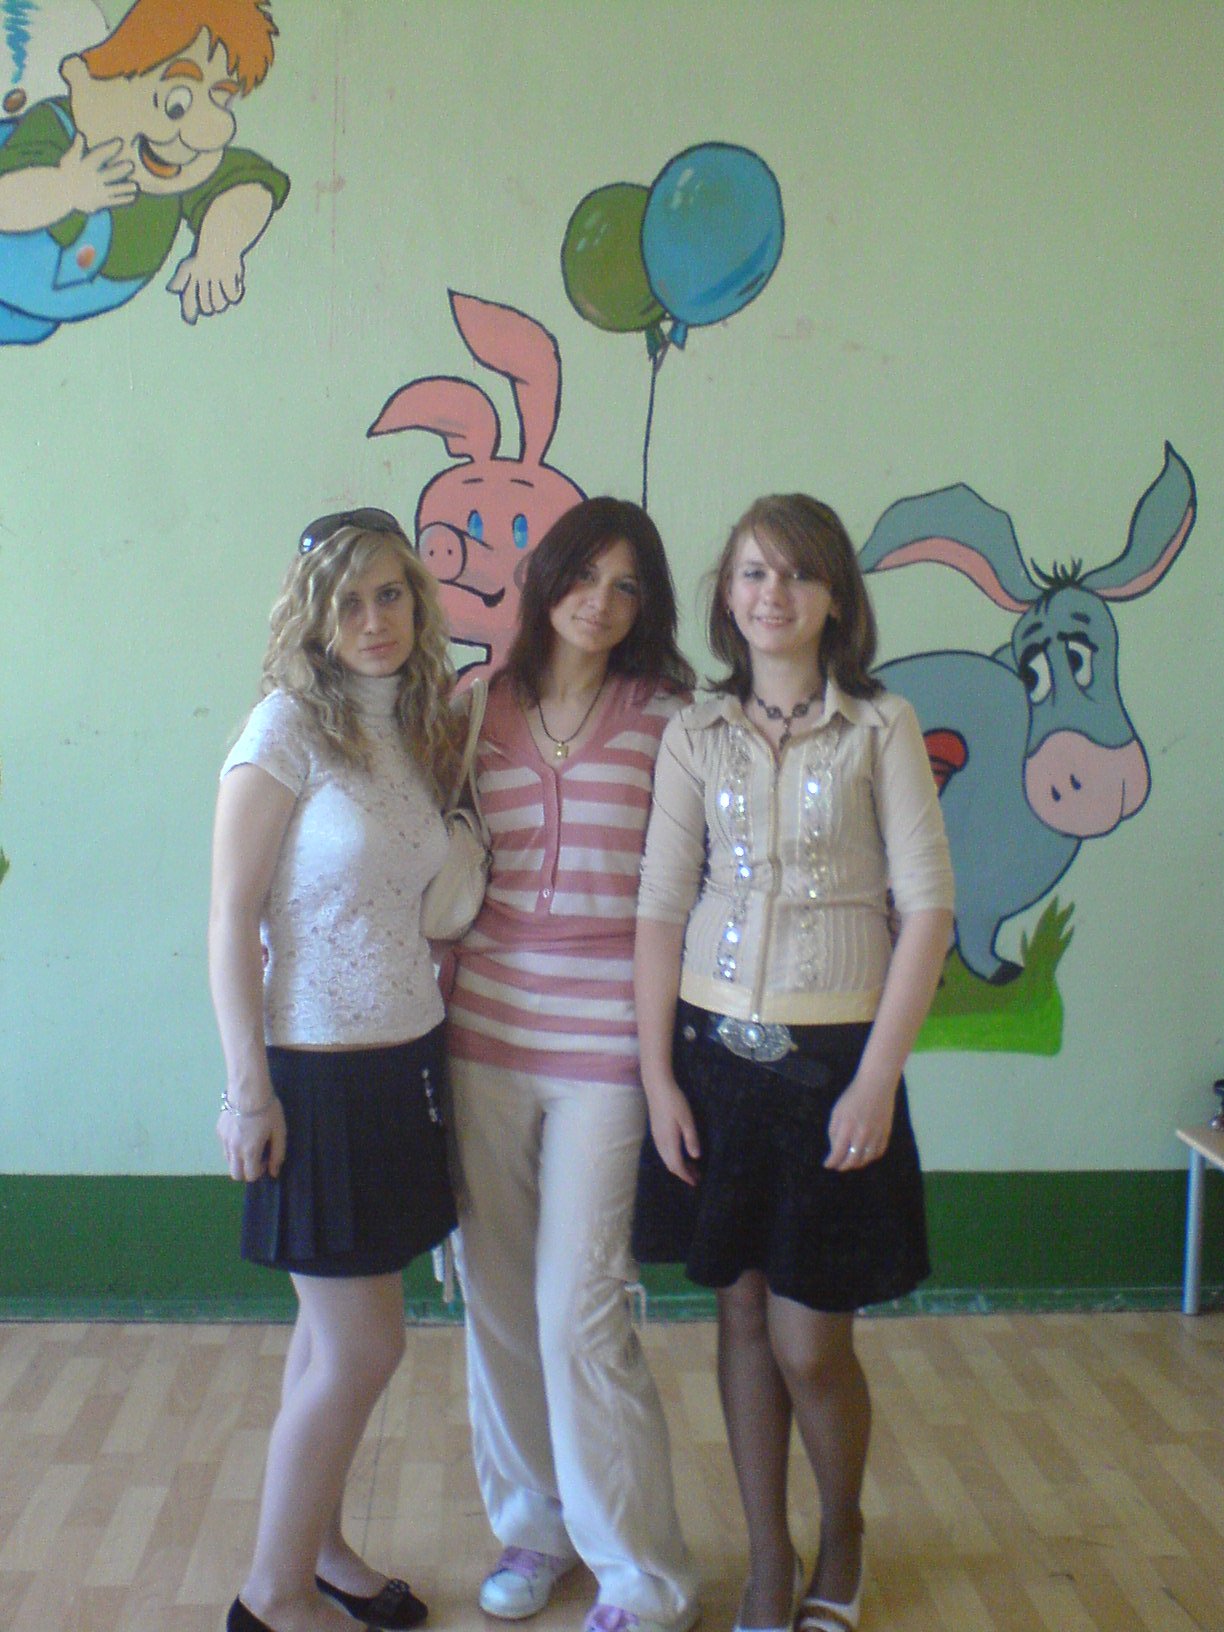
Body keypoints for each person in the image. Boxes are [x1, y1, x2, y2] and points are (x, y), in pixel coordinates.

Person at [632, 495, 954, 1632]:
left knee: (809, 1343)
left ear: (836, 599)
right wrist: (658, 1078)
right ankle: (770, 1559)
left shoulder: (882, 726)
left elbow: (928, 911)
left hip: (835, 1071)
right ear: (727, 595)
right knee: (738, 1317)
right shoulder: (694, 733)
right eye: (754, 573)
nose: (774, 594)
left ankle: (842, 1527)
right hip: (714, 1061)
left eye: (799, 574)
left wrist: (877, 1077)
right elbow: (660, 908)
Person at [444, 497, 700, 1632]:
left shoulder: (670, 719)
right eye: (584, 576)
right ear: (545, 579)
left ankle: (642, 1574)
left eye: (626, 585)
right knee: (498, 1304)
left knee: (579, 1313)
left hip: (609, 1045)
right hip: (482, 1035)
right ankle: (534, 1526)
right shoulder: (471, 709)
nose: (600, 602)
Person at [209, 508, 461, 1632]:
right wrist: (248, 1091)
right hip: (311, 1079)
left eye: (390, 595)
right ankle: (269, 1598)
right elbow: (229, 919)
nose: (373, 621)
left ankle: (317, 1552)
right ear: (314, 615)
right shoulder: (283, 730)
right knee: (366, 1345)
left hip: (402, 1065)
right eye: (349, 602)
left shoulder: (410, 726)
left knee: (326, 1344)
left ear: (417, 601)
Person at [0, 0, 287, 345]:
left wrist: (219, 251)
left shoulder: (187, 168)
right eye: (177, 103)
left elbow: (248, 188)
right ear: (91, 77)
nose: (212, 132)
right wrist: (65, 189)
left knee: (25, 327)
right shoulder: (59, 128)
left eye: (220, 101)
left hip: (35, 312)